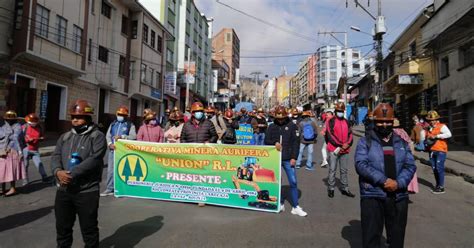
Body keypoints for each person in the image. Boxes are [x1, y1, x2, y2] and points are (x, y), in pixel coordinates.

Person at [355, 103, 416, 248]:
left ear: (392, 122)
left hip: (398, 195)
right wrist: (384, 181)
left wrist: (399, 183)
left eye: (388, 121)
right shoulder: (365, 142)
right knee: (371, 237)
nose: (384, 124)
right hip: (373, 195)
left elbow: (410, 165)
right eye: (381, 121)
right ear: (375, 121)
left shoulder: (401, 142)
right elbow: (361, 165)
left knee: (397, 238)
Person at [52, 100, 107, 247]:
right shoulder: (65, 137)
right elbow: (56, 156)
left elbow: (95, 159)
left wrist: (70, 174)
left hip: (87, 191)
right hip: (64, 190)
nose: (75, 120)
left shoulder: (97, 136)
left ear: (88, 118)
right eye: (73, 117)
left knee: (89, 230)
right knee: (62, 229)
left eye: (79, 117)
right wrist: (58, 172)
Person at [265, 106, 307, 217]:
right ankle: (279, 202)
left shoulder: (292, 126)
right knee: (276, 182)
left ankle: (295, 206)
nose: (280, 120)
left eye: (282, 118)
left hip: (288, 158)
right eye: (278, 118)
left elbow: (296, 143)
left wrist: (294, 157)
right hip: (275, 159)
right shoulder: (271, 127)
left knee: (293, 182)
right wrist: (274, 143)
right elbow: (266, 140)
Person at [101, 106, 136, 197]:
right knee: (110, 170)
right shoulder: (113, 124)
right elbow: (108, 135)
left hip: (124, 152)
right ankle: (109, 188)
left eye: (122, 115)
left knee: (125, 170)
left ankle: (124, 188)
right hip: (113, 151)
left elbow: (133, 136)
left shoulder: (130, 125)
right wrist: (109, 144)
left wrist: (122, 137)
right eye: (119, 114)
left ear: (126, 116)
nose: (120, 116)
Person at [325, 102, 355, 198]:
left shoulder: (347, 122)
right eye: (338, 111)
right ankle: (331, 188)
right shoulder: (331, 121)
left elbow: (350, 134)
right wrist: (341, 144)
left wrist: (348, 144)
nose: (340, 112)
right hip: (334, 149)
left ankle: (344, 188)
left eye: (341, 111)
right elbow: (330, 135)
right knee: (332, 170)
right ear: (335, 111)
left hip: (345, 150)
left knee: (344, 170)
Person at [0, 110, 26, 196]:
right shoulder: (4, 126)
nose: (8, 121)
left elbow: (16, 139)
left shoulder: (18, 126)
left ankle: (13, 188)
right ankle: (2, 188)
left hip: (13, 151)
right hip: (3, 151)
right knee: (2, 170)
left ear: (15, 119)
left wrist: (19, 152)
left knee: (11, 170)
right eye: (7, 119)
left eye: (10, 119)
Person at [425, 110, 452, 194]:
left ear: (437, 119)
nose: (432, 121)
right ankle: (438, 185)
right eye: (430, 120)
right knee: (434, 169)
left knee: (439, 168)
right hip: (432, 151)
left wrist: (437, 136)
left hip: (440, 150)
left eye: (433, 120)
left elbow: (449, 134)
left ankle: (441, 187)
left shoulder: (442, 126)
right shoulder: (429, 128)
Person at [393, 118, 419, 194]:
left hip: (398, 154)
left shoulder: (393, 132)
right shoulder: (403, 131)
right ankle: (409, 187)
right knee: (407, 170)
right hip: (406, 154)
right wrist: (412, 153)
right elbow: (410, 143)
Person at [22, 113, 49, 185]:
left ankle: (44, 177)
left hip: (35, 149)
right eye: (32, 121)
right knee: (25, 164)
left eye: (35, 121)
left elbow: (42, 136)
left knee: (39, 163)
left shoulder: (39, 127)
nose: (33, 123)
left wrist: (41, 139)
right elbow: (19, 137)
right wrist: (26, 140)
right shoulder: (24, 127)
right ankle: (25, 180)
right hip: (26, 148)